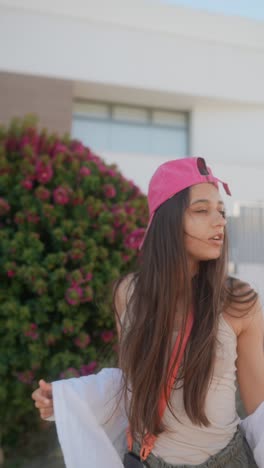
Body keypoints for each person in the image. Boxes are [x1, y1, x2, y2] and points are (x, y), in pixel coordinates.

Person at [32, 157, 264, 467]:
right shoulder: (128, 294)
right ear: (167, 219)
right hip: (148, 459)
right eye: (201, 210)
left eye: (221, 211)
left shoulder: (239, 301)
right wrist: (66, 401)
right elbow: (132, 384)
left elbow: (261, 412)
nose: (219, 221)